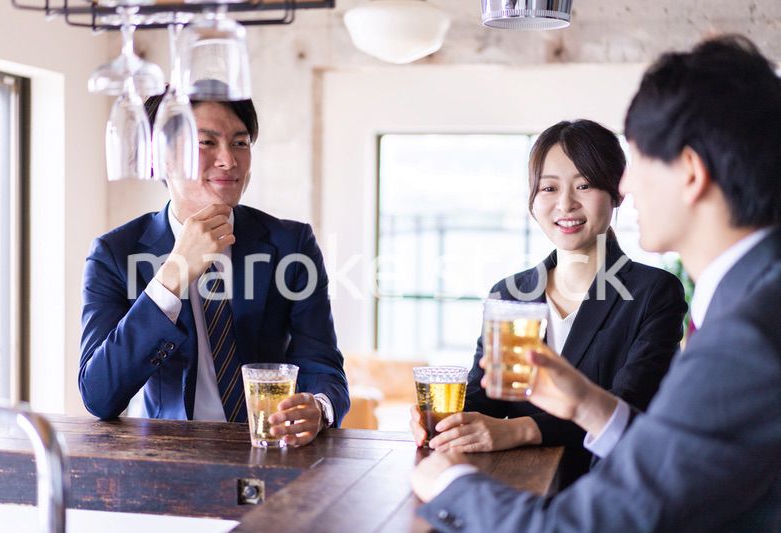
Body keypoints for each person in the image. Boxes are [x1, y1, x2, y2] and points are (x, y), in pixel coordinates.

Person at [411, 34, 781, 531]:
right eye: (549, 187)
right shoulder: (756, 299)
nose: (625, 186)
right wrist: (587, 404)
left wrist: (451, 488)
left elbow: (588, 524)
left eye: (638, 161)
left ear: (690, 172)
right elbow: (678, 460)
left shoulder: (743, 337)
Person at [410, 120, 687, 484]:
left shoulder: (654, 291)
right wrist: (445, 418)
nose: (565, 204)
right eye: (549, 188)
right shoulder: (509, 293)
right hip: (518, 489)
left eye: (584, 186)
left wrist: (519, 430)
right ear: (532, 200)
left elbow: (629, 408)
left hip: (607, 494)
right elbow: (486, 398)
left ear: (616, 193)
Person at [79, 93, 349, 447]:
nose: (228, 160)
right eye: (205, 142)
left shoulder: (291, 244)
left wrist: (320, 406)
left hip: (272, 452)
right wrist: (172, 276)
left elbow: (323, 365)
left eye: (240, 143)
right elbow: (99, 394)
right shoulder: (115, 253)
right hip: (169, 461)